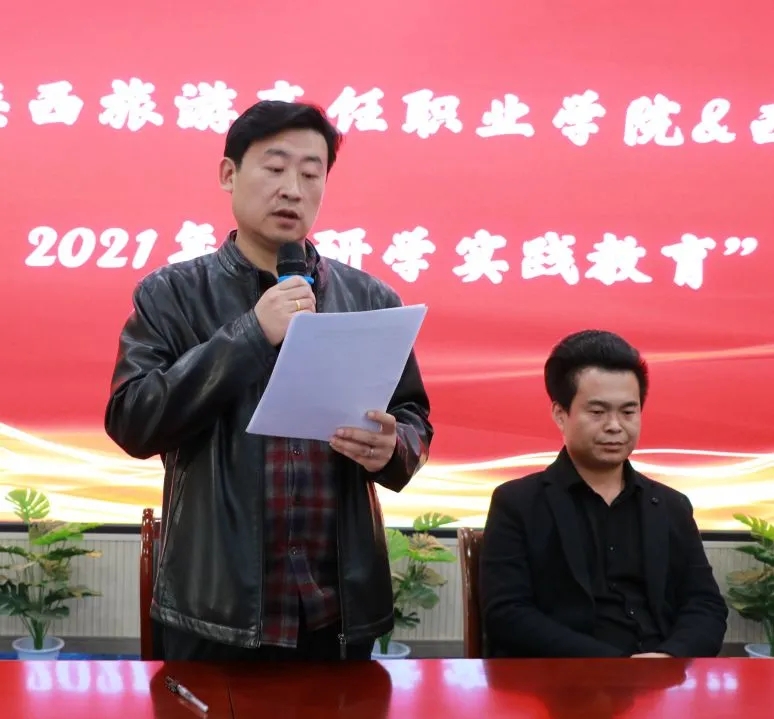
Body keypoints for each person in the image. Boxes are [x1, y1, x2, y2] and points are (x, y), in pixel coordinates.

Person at [105, 100, 432, 661]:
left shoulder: (369, 298)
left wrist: (393, 447)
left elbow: (413, 419)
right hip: (217, 609)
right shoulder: (171, 294)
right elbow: (133, 420)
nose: (292, 190)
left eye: (311, 174)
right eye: (275, 168)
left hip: (336, 612)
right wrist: (250, 334)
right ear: (228, 174)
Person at [480, 329, 727, 658]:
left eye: (628, 412)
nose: (615, 426)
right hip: (565, 678)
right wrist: (615, 667)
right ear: (560, 414)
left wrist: (667, 658)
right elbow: (507, 614)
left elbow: (705, 604)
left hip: (661, 677)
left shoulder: (671, 506)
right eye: (597, 412)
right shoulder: (517, 503)